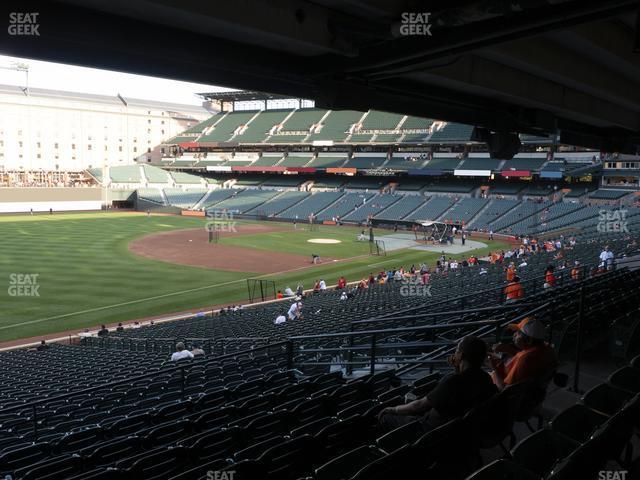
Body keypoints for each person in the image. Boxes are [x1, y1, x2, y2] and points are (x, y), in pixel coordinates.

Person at [378, 336, 497, 432]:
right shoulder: (486, 378)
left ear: (461, 356)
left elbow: (419, 405)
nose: (454, 353)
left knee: (386, 417)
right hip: (457, 430)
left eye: (457, 350)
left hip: (430, 429)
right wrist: (458, 368)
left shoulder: (452, 381)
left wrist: (393, 409)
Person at [489, 317, 557, 389]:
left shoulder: (525, 359)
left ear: (529, 341)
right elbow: (531, 358)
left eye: (518, 333)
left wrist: (494, 368)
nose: (514, 335)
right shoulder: (547, 349)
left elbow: (503, 389)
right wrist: (510, 350)